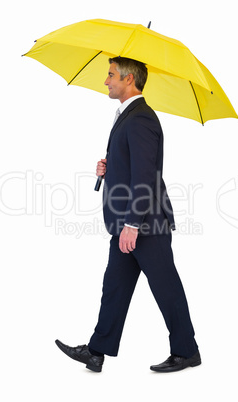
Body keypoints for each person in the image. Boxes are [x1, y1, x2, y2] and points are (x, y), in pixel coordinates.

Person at [55, 57, 201, 373]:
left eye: (110, 75)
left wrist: (133, 223)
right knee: (116, 287)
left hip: (144, 224)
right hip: (127, 223)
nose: (106, 81)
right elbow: (133, 167)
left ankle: (187, 351)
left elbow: (146, 176)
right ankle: (96, 351)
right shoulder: (128, 117)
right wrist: (109, 169)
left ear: (129, 79)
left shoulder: (141, 119)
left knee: (165, 286)